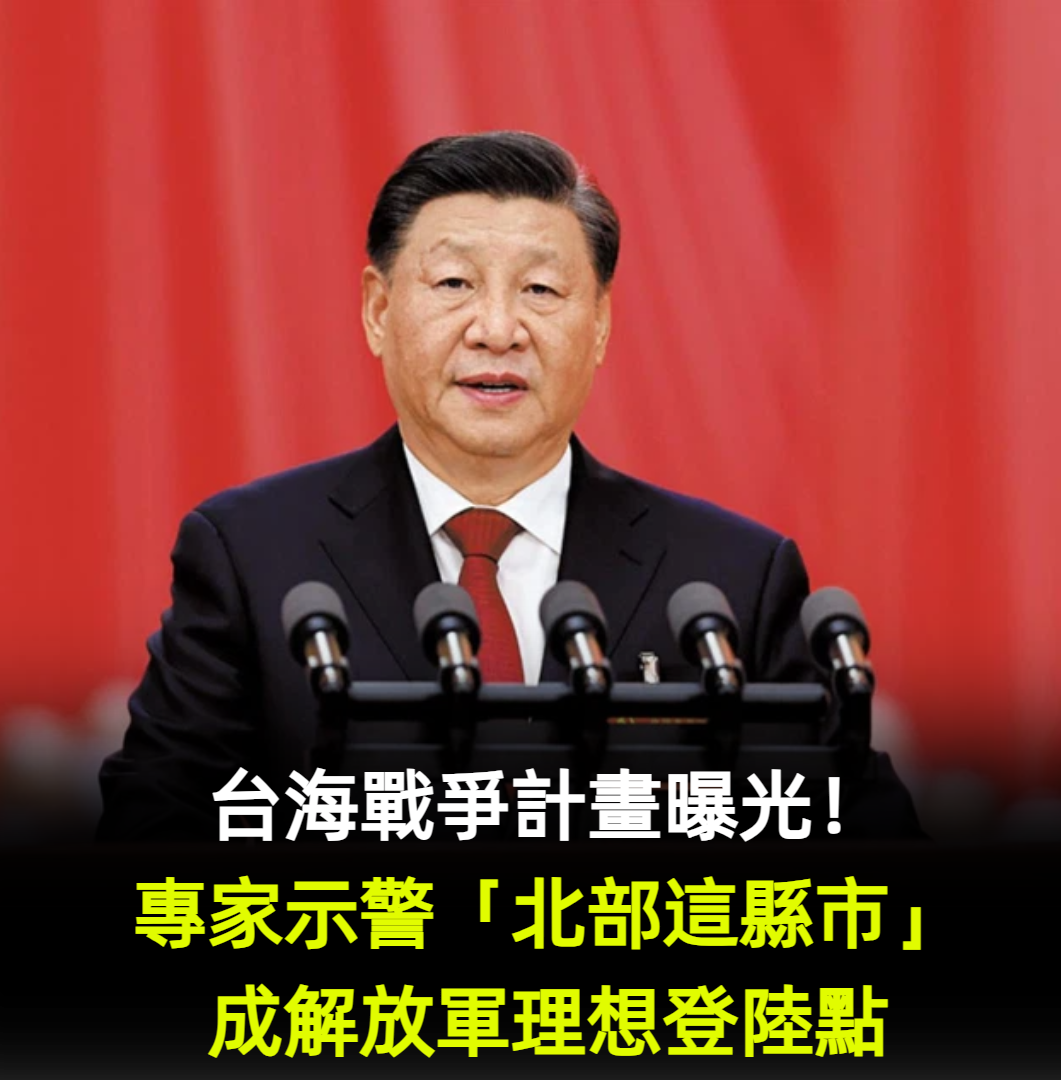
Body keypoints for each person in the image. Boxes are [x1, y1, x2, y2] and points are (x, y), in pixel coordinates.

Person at [98, 131, 920, 841]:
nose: (497, 330)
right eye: (454, 284)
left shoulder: (731, 579)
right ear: (378, 311)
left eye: (541, 290)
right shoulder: (252, 558)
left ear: (600, 324)